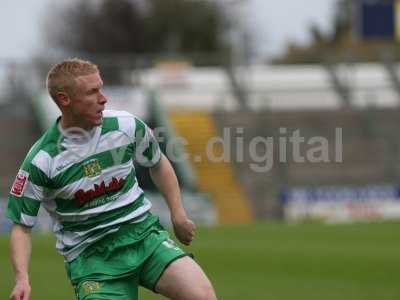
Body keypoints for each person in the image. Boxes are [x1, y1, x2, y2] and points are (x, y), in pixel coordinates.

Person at [7, 58, 217, 300]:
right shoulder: (41, 160)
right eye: (92, 92)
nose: (103, 98)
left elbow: (157, 162)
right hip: (93, 262)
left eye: (101, 88)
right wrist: (22, 278)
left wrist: (177, 213)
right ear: (65, 99)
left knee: (203, 296)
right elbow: (21, 226)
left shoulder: (125, 126)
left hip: (144, 238)